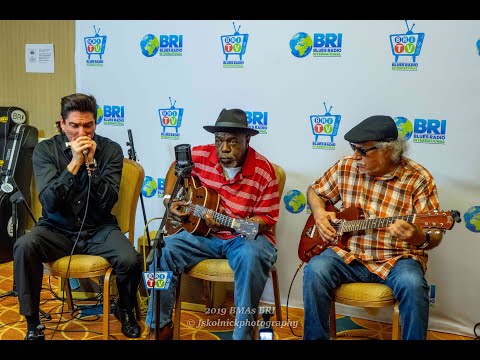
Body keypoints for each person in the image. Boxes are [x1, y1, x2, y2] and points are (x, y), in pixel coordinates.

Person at [13, 93, 143, 340]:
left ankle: (124, 309)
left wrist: (91, 164)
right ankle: (32, 322)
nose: (82, 132)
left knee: (131, 259)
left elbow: (107, 201)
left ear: (95, 124)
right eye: (74, 126)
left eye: (88, 125)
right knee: (24, 246)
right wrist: (74, 164)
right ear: (62, 124)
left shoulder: (111, 151)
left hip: (98, 228)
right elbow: (49, 203)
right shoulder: (45, 151)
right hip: (56, 229)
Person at [303, 115, 443, 340]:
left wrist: (418, 236)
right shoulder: (346, 166)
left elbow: (434, 235)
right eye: (353, 149)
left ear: (389, 150)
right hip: (349, 254)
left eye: (363, 151)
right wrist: (319, 215)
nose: (355, 156)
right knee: (315, 270)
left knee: (413, 284)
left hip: (397, 259)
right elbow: (315, 191)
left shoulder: (418, 178)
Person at [145, 108, 280, 340]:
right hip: (204, 237)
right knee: (161, 252)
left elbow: (263, 224)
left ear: (247, 140)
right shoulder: (200, 155)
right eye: (219, 141)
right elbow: (174, 168)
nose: (224, 148)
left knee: (251, 256)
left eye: (232, 142)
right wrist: (170, 200)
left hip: (244, 239)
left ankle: (243, 335)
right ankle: (160, 326)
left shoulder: (264, 171)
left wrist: (229, 226)